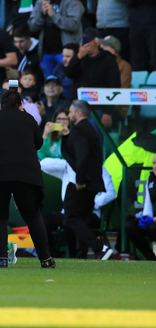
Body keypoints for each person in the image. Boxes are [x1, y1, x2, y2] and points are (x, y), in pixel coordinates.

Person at [0, 89, 54, 268]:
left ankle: (1, 259)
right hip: (24, 174)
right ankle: (45, 259)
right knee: (32, 216)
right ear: (20, 105)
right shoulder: (28, 119)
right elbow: (38, 144)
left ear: (0, 105)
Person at [61, 100, 109, 259]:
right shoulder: (90, 129)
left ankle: (99, 248)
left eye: (70, 112)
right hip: (93, 182)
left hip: (82, 183)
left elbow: (81, 157)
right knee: (82, 219)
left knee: (71, 218)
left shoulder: (79, 130)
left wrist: (80, 180)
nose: (68, 115)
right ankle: (82, 254)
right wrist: (65, 137)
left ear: (78, 113)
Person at [28, 0, 83, 75]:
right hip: (45, 52)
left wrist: (53, 14)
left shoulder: (72, 0)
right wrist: (42, 14)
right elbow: (32, 26)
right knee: (49, 83)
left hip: (65, 53)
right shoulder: (42, 0)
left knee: (66, 81)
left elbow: (74, 25)